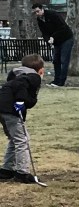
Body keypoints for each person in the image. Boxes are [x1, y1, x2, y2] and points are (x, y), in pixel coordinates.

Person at [0, 53, 44, 184]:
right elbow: (21, 87)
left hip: (2, 108)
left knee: (15, 139)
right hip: (10, 109)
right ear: (40, 69)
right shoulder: (33, 77)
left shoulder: (16, 74)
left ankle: (6, 170)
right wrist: (20, 101)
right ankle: (22, 173)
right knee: (22, 140)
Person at [32, 3, 74, 87]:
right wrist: (48, 40)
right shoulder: (39, 20)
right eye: (35, 12)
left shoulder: (53, 15)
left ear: (42, 9)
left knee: (64, 60)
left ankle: (61, 82)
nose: (37, 14)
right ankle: (56, 81)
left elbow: (63, 27)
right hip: (56, 41)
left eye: (38, 11)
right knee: (56, 60)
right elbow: (44, 33)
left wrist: (53, 37)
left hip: (66, 38)